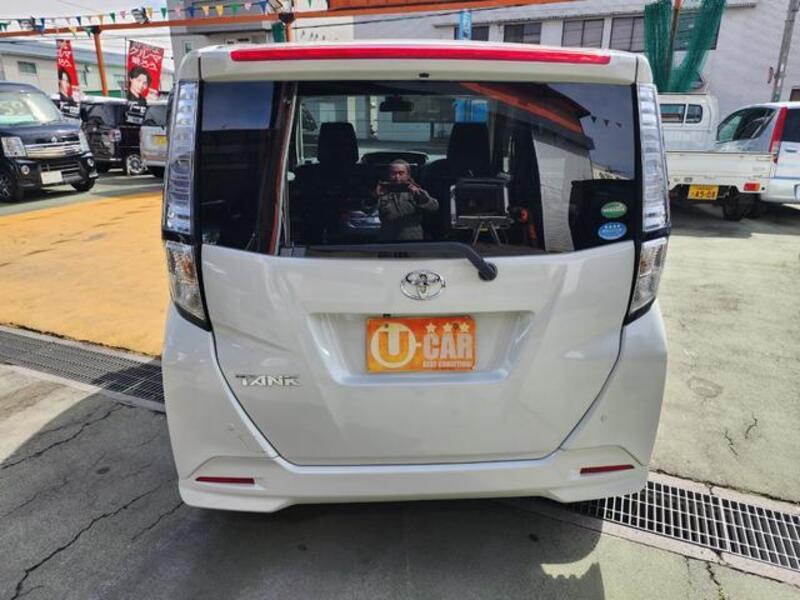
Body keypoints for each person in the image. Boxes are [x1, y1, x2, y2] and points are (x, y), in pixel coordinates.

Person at [366, 159, 439, 241]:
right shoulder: (381, 192)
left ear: (408, 175)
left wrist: (419, 196)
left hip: (413, 239)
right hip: (387, 239)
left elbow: (434, 207)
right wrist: (375, 196)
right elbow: (368, 211)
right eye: (393, 173)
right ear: (388, 175)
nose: (397, 177)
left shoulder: (417, 191)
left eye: (401, 173)